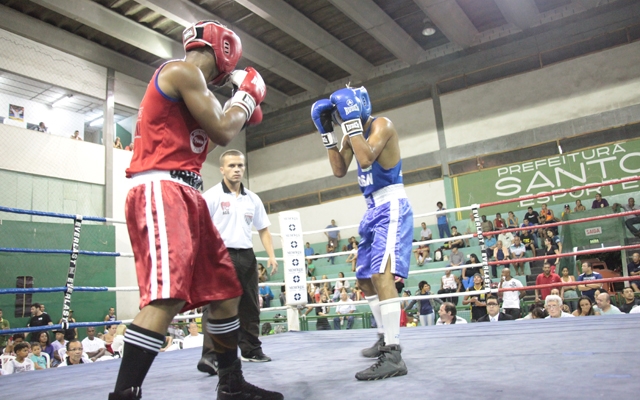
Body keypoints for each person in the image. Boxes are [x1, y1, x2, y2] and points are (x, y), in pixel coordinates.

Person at [110, 20, 280, 400]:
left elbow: (223, 125)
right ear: (225, 51)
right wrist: (247, 97)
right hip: (161, 188)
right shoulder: (181, 71)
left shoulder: (195, 88)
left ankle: (231, 384)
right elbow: (223, 129)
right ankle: (124, 394)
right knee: (167, 298)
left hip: (188, 194)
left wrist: (240, 105)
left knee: (225, 293)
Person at [312, 85, 412, 380]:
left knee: (382, 274)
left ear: (357, 107)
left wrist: (352, 124)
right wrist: (328, 134)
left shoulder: (382, 125)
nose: (342, 116)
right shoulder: (349, 133)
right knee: (364, 277)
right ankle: (384, 337)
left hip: (391, 203)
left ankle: (394, 353)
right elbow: (339, 169)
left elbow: (366, 158)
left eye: (345, 112)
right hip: (371, 208)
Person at [198, 149, 279, 373]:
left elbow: (264, 229)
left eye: (240, 166)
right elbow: (199, 229)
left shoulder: (252, 198)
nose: (236, 170)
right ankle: (210, 357)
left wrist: (271, 255)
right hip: (219, 255)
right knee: (216, 307)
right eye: (232, 166)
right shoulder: (212, 196)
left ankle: (251, 349)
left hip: (246, 256)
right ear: (222, 169)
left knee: (251, 305)